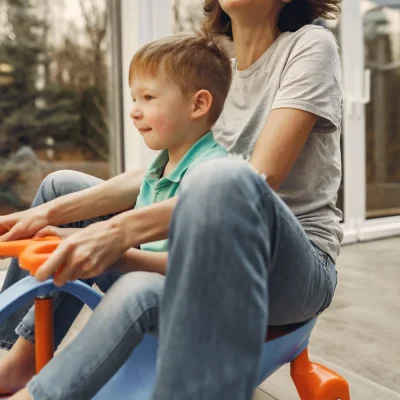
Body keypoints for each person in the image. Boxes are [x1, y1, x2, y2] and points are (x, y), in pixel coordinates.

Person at [0, 0, 343, 399]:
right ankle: (16, 360)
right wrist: (44, 212)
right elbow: (163, 174)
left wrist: (117, 235)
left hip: (292, 265)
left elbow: (254, 183)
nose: (136, 110)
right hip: (207, 240)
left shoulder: (310, 46)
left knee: (226, 178)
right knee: (60, 186)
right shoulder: (224, 75)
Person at [0, 34, 231, 399]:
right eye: (133, 98)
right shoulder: (162, 163)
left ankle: (18, 367)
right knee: (62, 218)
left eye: (149, 98)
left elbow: (199, 270)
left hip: (182, 300)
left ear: (198, 104)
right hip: (144, 271)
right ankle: (10, 353)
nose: (134, 111)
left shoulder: (212, 174)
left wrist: (104, 250)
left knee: (74, 247)